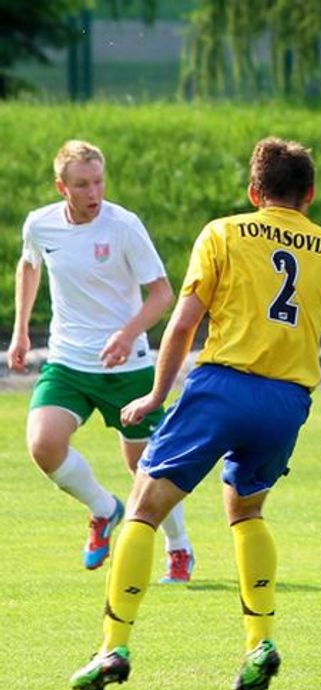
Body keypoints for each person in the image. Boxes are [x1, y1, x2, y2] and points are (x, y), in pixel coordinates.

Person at [68, 137, 321, 690]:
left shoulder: (224, 233)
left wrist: (156, 396)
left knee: (144, 507)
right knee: (246, 510)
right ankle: (260, 642)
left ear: (255, 192)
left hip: (223, 386)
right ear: (311, 195)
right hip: (287, 404)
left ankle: (112, 648)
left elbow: (181, 327)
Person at [7, 140, 196, 583]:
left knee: (148, 467)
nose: (93, 192)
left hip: (126, 368)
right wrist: (20, 330)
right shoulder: (41, 225)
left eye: (98, 182)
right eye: (82, 185)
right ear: (61, 187)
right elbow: (28, 266)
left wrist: (127, 334)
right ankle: (104, 509)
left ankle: (179, 548)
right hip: (68, 362)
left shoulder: (123, 226)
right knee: (43, 445)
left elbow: (162, 294)